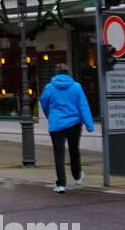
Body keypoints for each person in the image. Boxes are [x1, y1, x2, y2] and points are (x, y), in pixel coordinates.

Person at [39, 63, 95, 194]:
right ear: (67, 73)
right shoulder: (76, 87)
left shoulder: (49, 88)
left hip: (56, 124)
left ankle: (61, 184)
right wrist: (89, 125)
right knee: (74, 150)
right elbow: (83, 106)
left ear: (56, 73)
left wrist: (50, 115)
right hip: (74, 123)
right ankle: (77, 176)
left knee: (58, 154)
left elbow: (43, 102)